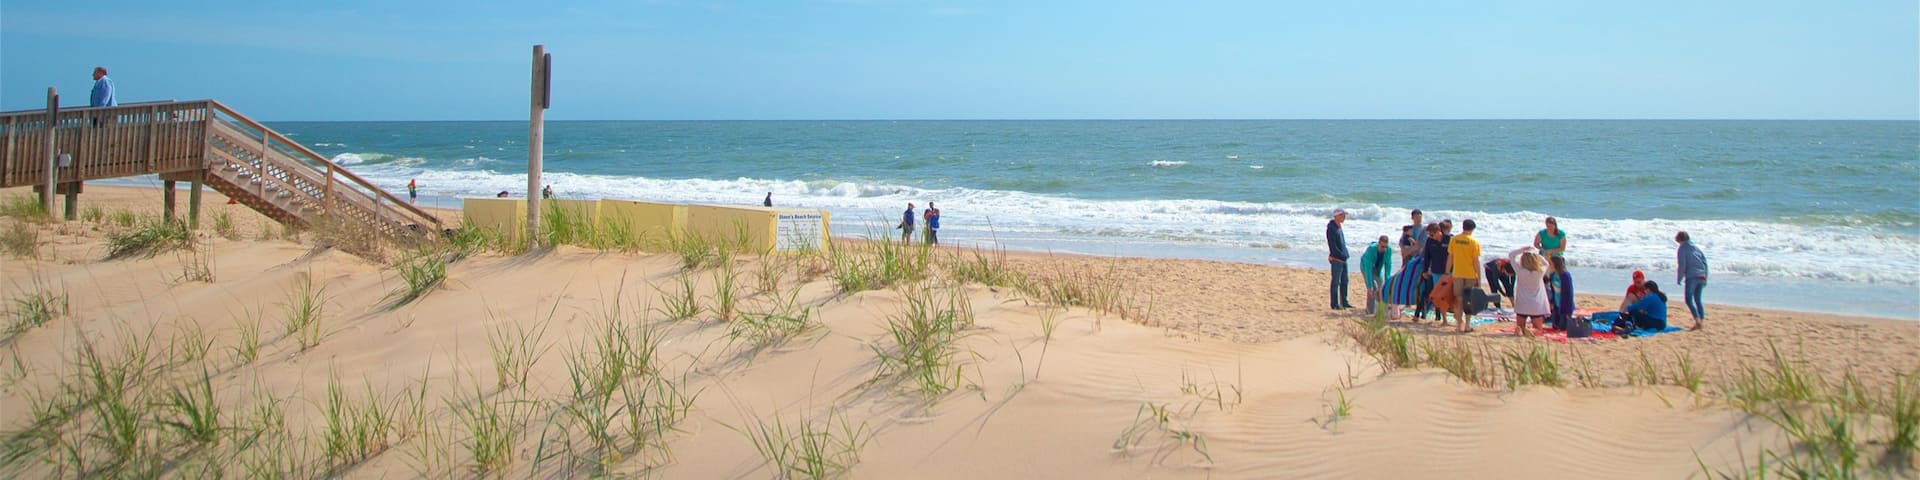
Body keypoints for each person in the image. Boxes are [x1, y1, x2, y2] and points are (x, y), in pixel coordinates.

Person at [1445, 219, 1482, 332]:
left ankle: (1458, 325)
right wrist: (1479, 277)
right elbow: (1476, 261)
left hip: (1457, 273)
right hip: (1470, 274)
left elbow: (1450, 257)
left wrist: (1447, 271)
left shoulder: (1454, 239)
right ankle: (1467, 325)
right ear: (1472, 229)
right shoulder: (1473, 242)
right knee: (1468, 300)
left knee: (1459, 299)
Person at [1507, 247, 1551, 336]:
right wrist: (1537, 255)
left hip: (1522, 305)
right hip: (1536, 305)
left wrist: (1522, 250)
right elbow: (1546, 263)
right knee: (1538, 329)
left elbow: (1511, 255)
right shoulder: (1540, 272)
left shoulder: (1520, 271)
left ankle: (1520, 330)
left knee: (1520, 325)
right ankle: (1531, 331)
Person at [1416, 223, 1449, 322]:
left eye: (1432, 235)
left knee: (1447, 294)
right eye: (1429, 235)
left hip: (1448, 273)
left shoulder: (1448, 239)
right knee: (1433, 293)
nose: (1431, 237)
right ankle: (1436, 316)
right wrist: (1425, 271)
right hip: (1435, 271)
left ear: (1438, 232)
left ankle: (1443, 316)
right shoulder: (1430, 241)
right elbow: (1427, 257)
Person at [1676, 231, 1709, 331]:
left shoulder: (1682, 249)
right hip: (1702, 275)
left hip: (1692, 276)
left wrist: (1679, 278)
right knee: (1698, 299)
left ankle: (1697, 320)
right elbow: (1705, 263)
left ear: (1680, 240)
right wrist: (1706, 277)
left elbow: (1682, 265)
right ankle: (1701, 321)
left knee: (1688, 299)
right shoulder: (1696, 247)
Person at [1325, 208, 1352, 310]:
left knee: (1345, 280)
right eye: (1342, 215)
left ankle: (1344, 302)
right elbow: (1332, 245)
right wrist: (1337, 256)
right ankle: (1334, 304)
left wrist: (1345, 254)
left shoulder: (1339, 227)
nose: (1344, 217)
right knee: (1336, 282)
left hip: (1343, 258)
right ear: (1336, 216)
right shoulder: (1331, 228)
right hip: (1337, 259)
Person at [1360, 235, 1393, 315]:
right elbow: (1368, 270)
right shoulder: (1371, 250)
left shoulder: (1388, 250)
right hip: (1366, 267)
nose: (1384, 249)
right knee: (1372, 288)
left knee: (1382, 288)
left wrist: (1388, 283)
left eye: (1385, 247)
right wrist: (1369, 287)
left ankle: (1382, 309)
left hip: (1378, 268)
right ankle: (1370, 310)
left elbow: (1388, 266)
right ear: (1378, 244)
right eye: (1382, 246)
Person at [1549, 256, 1576, 331]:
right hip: (1557, 304)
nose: (1549, 265)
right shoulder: (1553, 275)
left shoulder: (1565, 275)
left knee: (1563, 328)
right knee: (1555, 326)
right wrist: (1551, 302)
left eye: (1550, 263)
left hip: (1565, 305)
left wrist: (1568, 310)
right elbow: (1552, 290)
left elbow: (1569, 293)